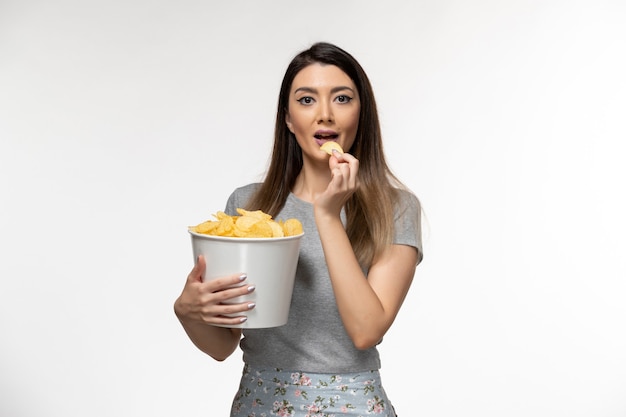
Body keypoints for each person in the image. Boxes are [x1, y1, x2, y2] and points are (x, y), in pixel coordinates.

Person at [174, 41, 423, 416]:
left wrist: (327, 215)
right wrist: (188, 311)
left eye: (341, 98)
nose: (325, 114)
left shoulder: (395, 208)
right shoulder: (250, 206)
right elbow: (222, 346)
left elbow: (367, 330)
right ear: (288, 119)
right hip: (260, 403)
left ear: (361, 113)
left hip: (353, 405)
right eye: (307, 100)